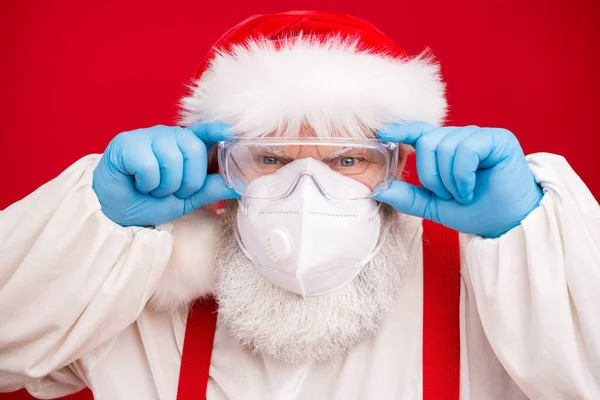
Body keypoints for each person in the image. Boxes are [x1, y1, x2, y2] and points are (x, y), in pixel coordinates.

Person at [0, 10, 599, 400]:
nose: (306, 192)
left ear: (396, 165)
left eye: (346, 161)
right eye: (270, 158)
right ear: (220, 163)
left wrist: (530, 237)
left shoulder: (486, 291)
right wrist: (88, 229)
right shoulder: (136, 298)